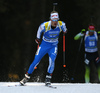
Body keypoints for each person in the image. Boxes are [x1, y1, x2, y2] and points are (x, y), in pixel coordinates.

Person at [20, 11, 67, 86]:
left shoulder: (61, 24)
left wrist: (65, 31)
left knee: (52, 61)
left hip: (53, 46)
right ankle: (26, 77)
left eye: (56, 20)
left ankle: (48, 79)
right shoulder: (44, 25)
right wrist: (38, 38)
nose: (55, 22)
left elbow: (65, 30)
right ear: (50, 19)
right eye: (54, 20)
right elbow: (39, 30)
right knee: (36, 61)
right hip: (44, 45)